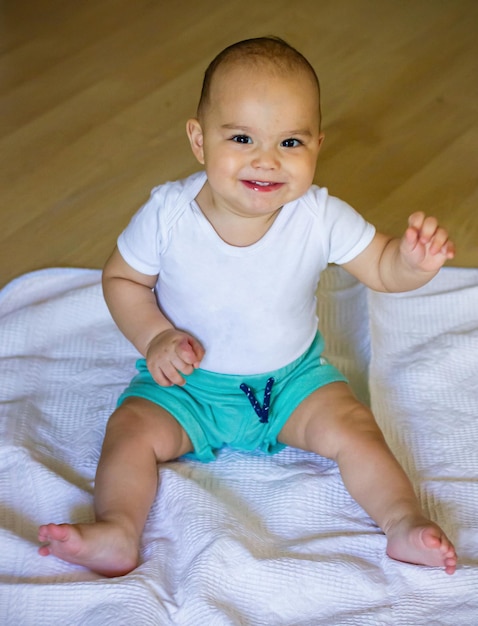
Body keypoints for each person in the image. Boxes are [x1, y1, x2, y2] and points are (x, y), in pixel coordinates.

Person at [38, 36, 457, 577]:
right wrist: (154, 338)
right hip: (187, 387)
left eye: (290, 143)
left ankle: (402, 522)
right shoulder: (168, 214)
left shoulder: (318, 216)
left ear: (318, 146)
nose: (266, 160)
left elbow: (379, 266)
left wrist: (410, 262)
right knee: (130, 431)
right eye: (241, 137)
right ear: (199, 140)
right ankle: (118, 527)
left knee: (356, 427)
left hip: (292, 385)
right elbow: (121, 278)